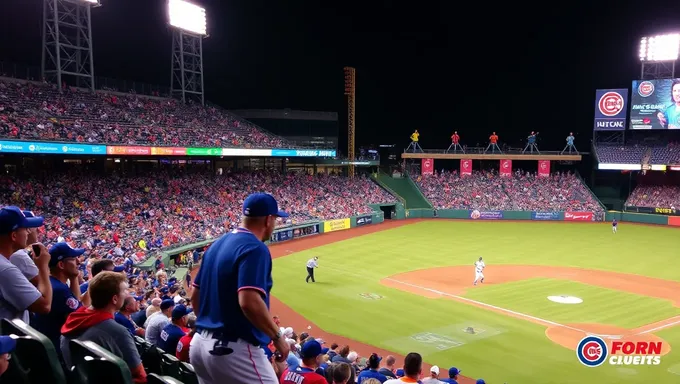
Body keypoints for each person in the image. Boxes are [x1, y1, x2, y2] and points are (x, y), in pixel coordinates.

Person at [189, 192, 290, 384]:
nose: (276, 223)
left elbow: (195, 296)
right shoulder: (255, 247)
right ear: (268, 220)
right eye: (276, 219)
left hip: (200, 345)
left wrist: (212, 325)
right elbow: (249, 301)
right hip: (232, 350)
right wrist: (277, 337)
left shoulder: (217, 244)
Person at [60, 271, 148, 383]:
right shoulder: (117, 332)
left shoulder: (72, 320)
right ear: (115, 299)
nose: (128, 294)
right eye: (125, 290)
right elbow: (141, 376)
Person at [0, 206, 52, 323]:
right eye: (25, 229)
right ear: (14, 236)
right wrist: (43, 267)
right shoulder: (5, 269)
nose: (28, 232)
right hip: (10, 338)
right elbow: (44, 306)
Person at [33, 242, 88, 351]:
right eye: (73, 258)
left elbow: (75, 302)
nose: (78, 261)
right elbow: (80, 319)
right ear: (61, 265)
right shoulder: (59, 290)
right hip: (59, 349)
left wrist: (74, 278)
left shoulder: (53, 283)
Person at [9, 211, 41, 285]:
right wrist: (43, 265)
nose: (39, 231)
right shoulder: (19, 255)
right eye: (35, 228)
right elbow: (45, 286)